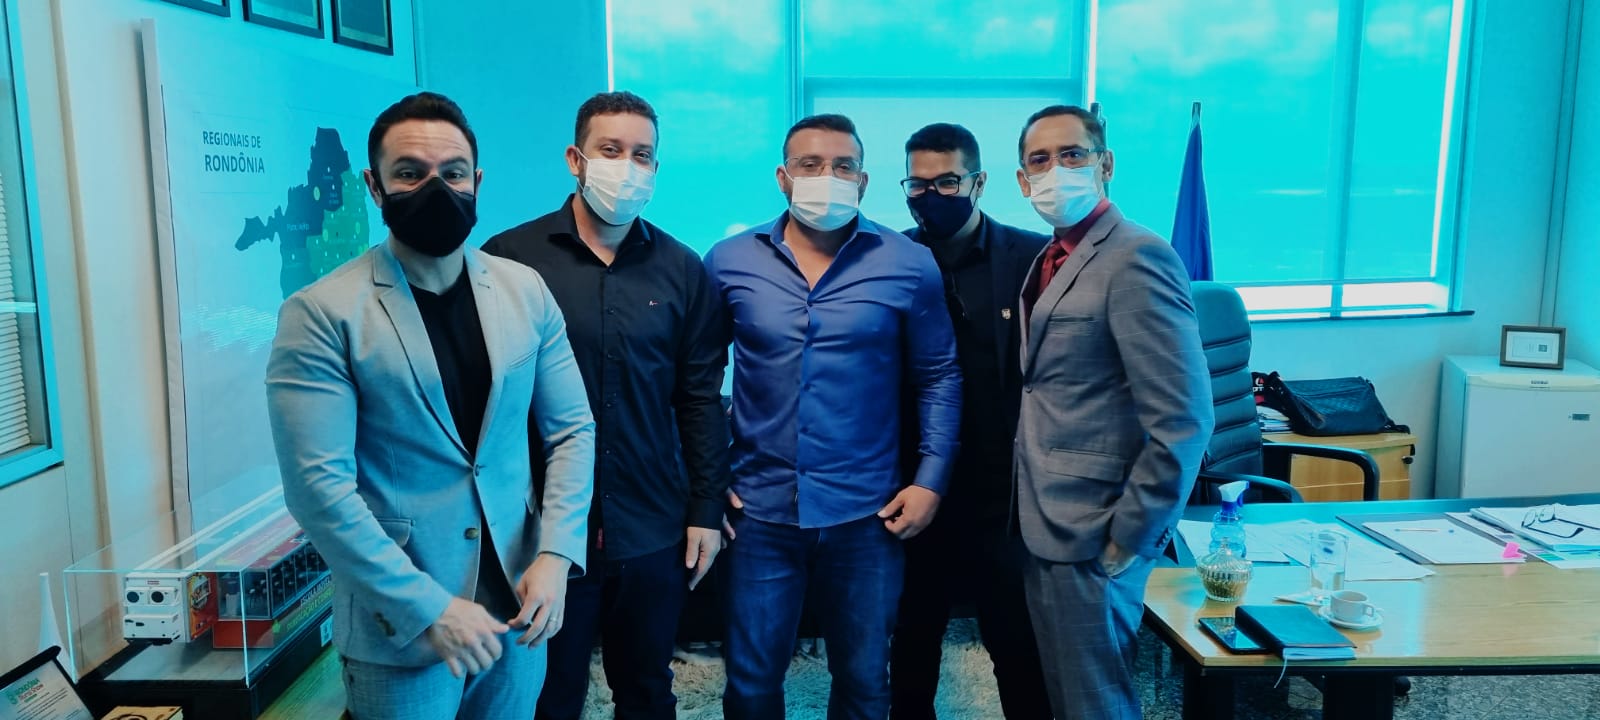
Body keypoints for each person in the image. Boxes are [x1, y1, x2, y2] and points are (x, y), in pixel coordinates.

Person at [265, 91, 596, 719]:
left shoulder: (525, 291)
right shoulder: (323, 313)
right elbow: (318, 490)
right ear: (375, 186)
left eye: (453, 173)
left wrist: (556, 553)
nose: (436, 189)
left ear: (477, 181)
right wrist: (426, 607)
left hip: (519, 609)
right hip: (403, 629)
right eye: (410, 173)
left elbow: (572, 431)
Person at [481, 90, 730, 720]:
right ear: (576, 159)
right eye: (611, 150)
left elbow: (699, 398)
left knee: (647, 689)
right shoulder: (509, 260)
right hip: (542, 529)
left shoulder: (682, 269)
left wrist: (705, 509)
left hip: (651, 523)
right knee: (548, 692)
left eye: (641, 154)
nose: (627, 166)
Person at [705, 113, 962, 720]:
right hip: (759, 511)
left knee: (866, 683)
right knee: (750, 685)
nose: (828, 176)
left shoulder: (908, 263)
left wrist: (930, 481)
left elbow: (939, 375)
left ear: (863, 180)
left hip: (867, 513)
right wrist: (706, 478)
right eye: (811, 164)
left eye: (843, 166)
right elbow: (695, 379)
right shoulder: (728, 261)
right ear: (783, 177)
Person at [1010, 104, 1214, 720]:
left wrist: (1133, 535)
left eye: (1072, 154)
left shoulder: (1136, 256)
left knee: (1096, 704)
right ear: (1022, 180)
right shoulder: (1051, 257)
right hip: (1045, 517)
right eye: (1040, 159)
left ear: (1106, 165)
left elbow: (1184, 417)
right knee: (1068, 695)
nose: (1056, 170)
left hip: (1099, 530)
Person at [889, 123, 1052, 720]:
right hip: (912, 482)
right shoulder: (890, 259)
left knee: (1016, 643)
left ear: (978, 183)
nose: (931, 195)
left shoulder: (1032, 259)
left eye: (948, 182)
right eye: (918, 184)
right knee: (912, 639)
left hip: (1002, 487)